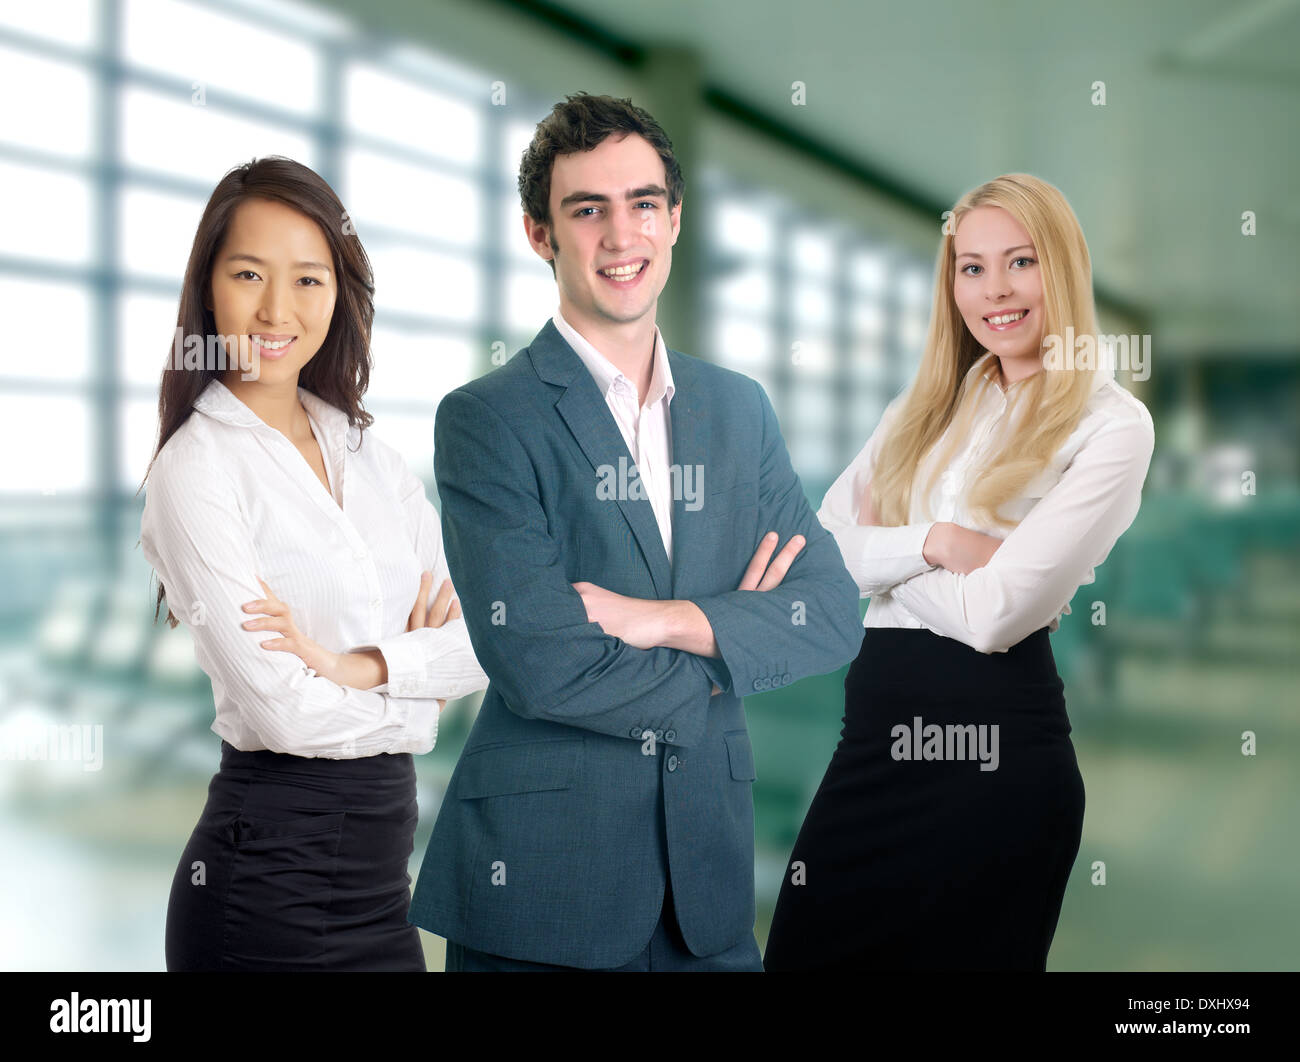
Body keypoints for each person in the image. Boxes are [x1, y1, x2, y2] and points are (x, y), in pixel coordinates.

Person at [406, 93, 863, 971]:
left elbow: (832, 611)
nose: (622, 236)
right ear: (540, 234)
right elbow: (539, 658)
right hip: (544, 889)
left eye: (643, 204)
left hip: (708, 894)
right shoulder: (487, 420)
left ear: (675, 219)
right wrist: (730, 652)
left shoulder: (737, 410)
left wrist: (671, 619)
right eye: (588, 210)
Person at [763, 173, 1155, 971]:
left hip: (998, 765)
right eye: (971, 267)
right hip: (872, 747)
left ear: (1065, 269)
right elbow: (815, 548)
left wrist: (883, 557)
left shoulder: (1113, 426)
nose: (995, 290)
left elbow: (995, 617)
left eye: (1020, 262)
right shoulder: (922, 407)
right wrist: (940, 542)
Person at [139, 156, 488, 971]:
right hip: (261, 894)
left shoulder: (371, 455)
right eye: (249, 273)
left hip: (382, 895)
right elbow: (285, 717)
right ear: (208, 288)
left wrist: (350, 667)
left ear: (339, 294)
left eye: (308, 280)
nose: (275, 309)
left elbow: (482, 640)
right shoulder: (196, 470)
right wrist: (417, 704)